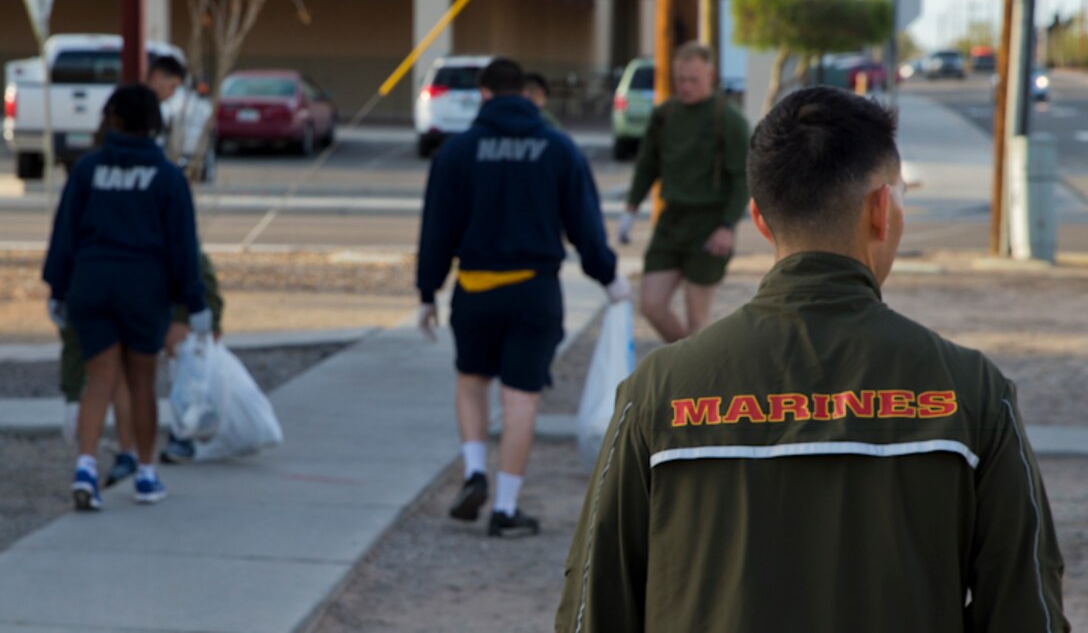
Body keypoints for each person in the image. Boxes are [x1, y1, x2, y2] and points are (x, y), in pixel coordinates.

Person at [557, 86, 1070, 632]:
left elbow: (591, 609)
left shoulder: (658, 392)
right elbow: (1027, 612)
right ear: (881, 209)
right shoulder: (971, 392)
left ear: (758, 218)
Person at [417, 58, 629, 537]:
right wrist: (609, 278)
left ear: (485, 94)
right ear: (529, 95)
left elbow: (436, 229)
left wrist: (427, 291)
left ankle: (474, 471)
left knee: (471, 381)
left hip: (475, 290)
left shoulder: (458, 151)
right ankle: (505, 508)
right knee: (520, 401)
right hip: (535, 292)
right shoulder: (558, 148)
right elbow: (585, 226)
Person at [43, 84, 211, 511]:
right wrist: (195, 303)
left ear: (112, 118)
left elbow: (65, 233)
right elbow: (183, 247)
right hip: (144, 288)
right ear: (154, 123)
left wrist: (57, 287)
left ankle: (85, 467)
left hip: (91, 283)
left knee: (98, 379)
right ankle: (146, 472)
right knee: (141, 381)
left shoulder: (87, 170)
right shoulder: (167, 177)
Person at [619, 41, 750, 342]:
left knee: (697, 318)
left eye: (694, 79)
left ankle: (696, 380)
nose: (686, 86)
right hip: (671, 220)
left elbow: (742, 178)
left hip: (709, 221)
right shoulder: (665, 114)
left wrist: (727, 225)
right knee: (651, 305)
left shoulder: (727, 118)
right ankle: (687, 363)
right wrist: (630, 208)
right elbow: (647, 164)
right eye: (681, 79)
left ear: (711, 75)